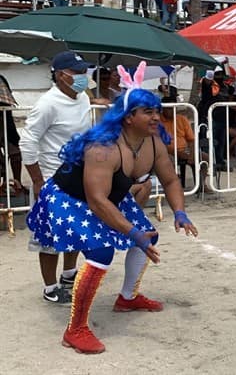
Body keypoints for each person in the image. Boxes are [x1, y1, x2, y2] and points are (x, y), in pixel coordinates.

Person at [26, 62, 198, 354]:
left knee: (149, 235)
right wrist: (132, 232)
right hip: (69, 198)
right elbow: (96, 201)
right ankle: (75, 329)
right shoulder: (103, 148)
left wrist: (180, 212)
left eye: (157, 111)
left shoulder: (153, 142)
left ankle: (127, 298)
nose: (157, 117)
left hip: (107, 197)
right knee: (102, 251)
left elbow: (170, 179)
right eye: (149, 112)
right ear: (129, 117)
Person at [20, 51, 94, 305]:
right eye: (77, 72)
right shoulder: (47, 104)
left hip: (79, 177)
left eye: (84, 71)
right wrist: (38, 181)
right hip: (53, 180)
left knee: (74, 231)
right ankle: (50, 287)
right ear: (61, 76)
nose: (83, 76)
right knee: (49, 238)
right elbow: (28, 142)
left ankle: (69, 275)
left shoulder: (83, 98)